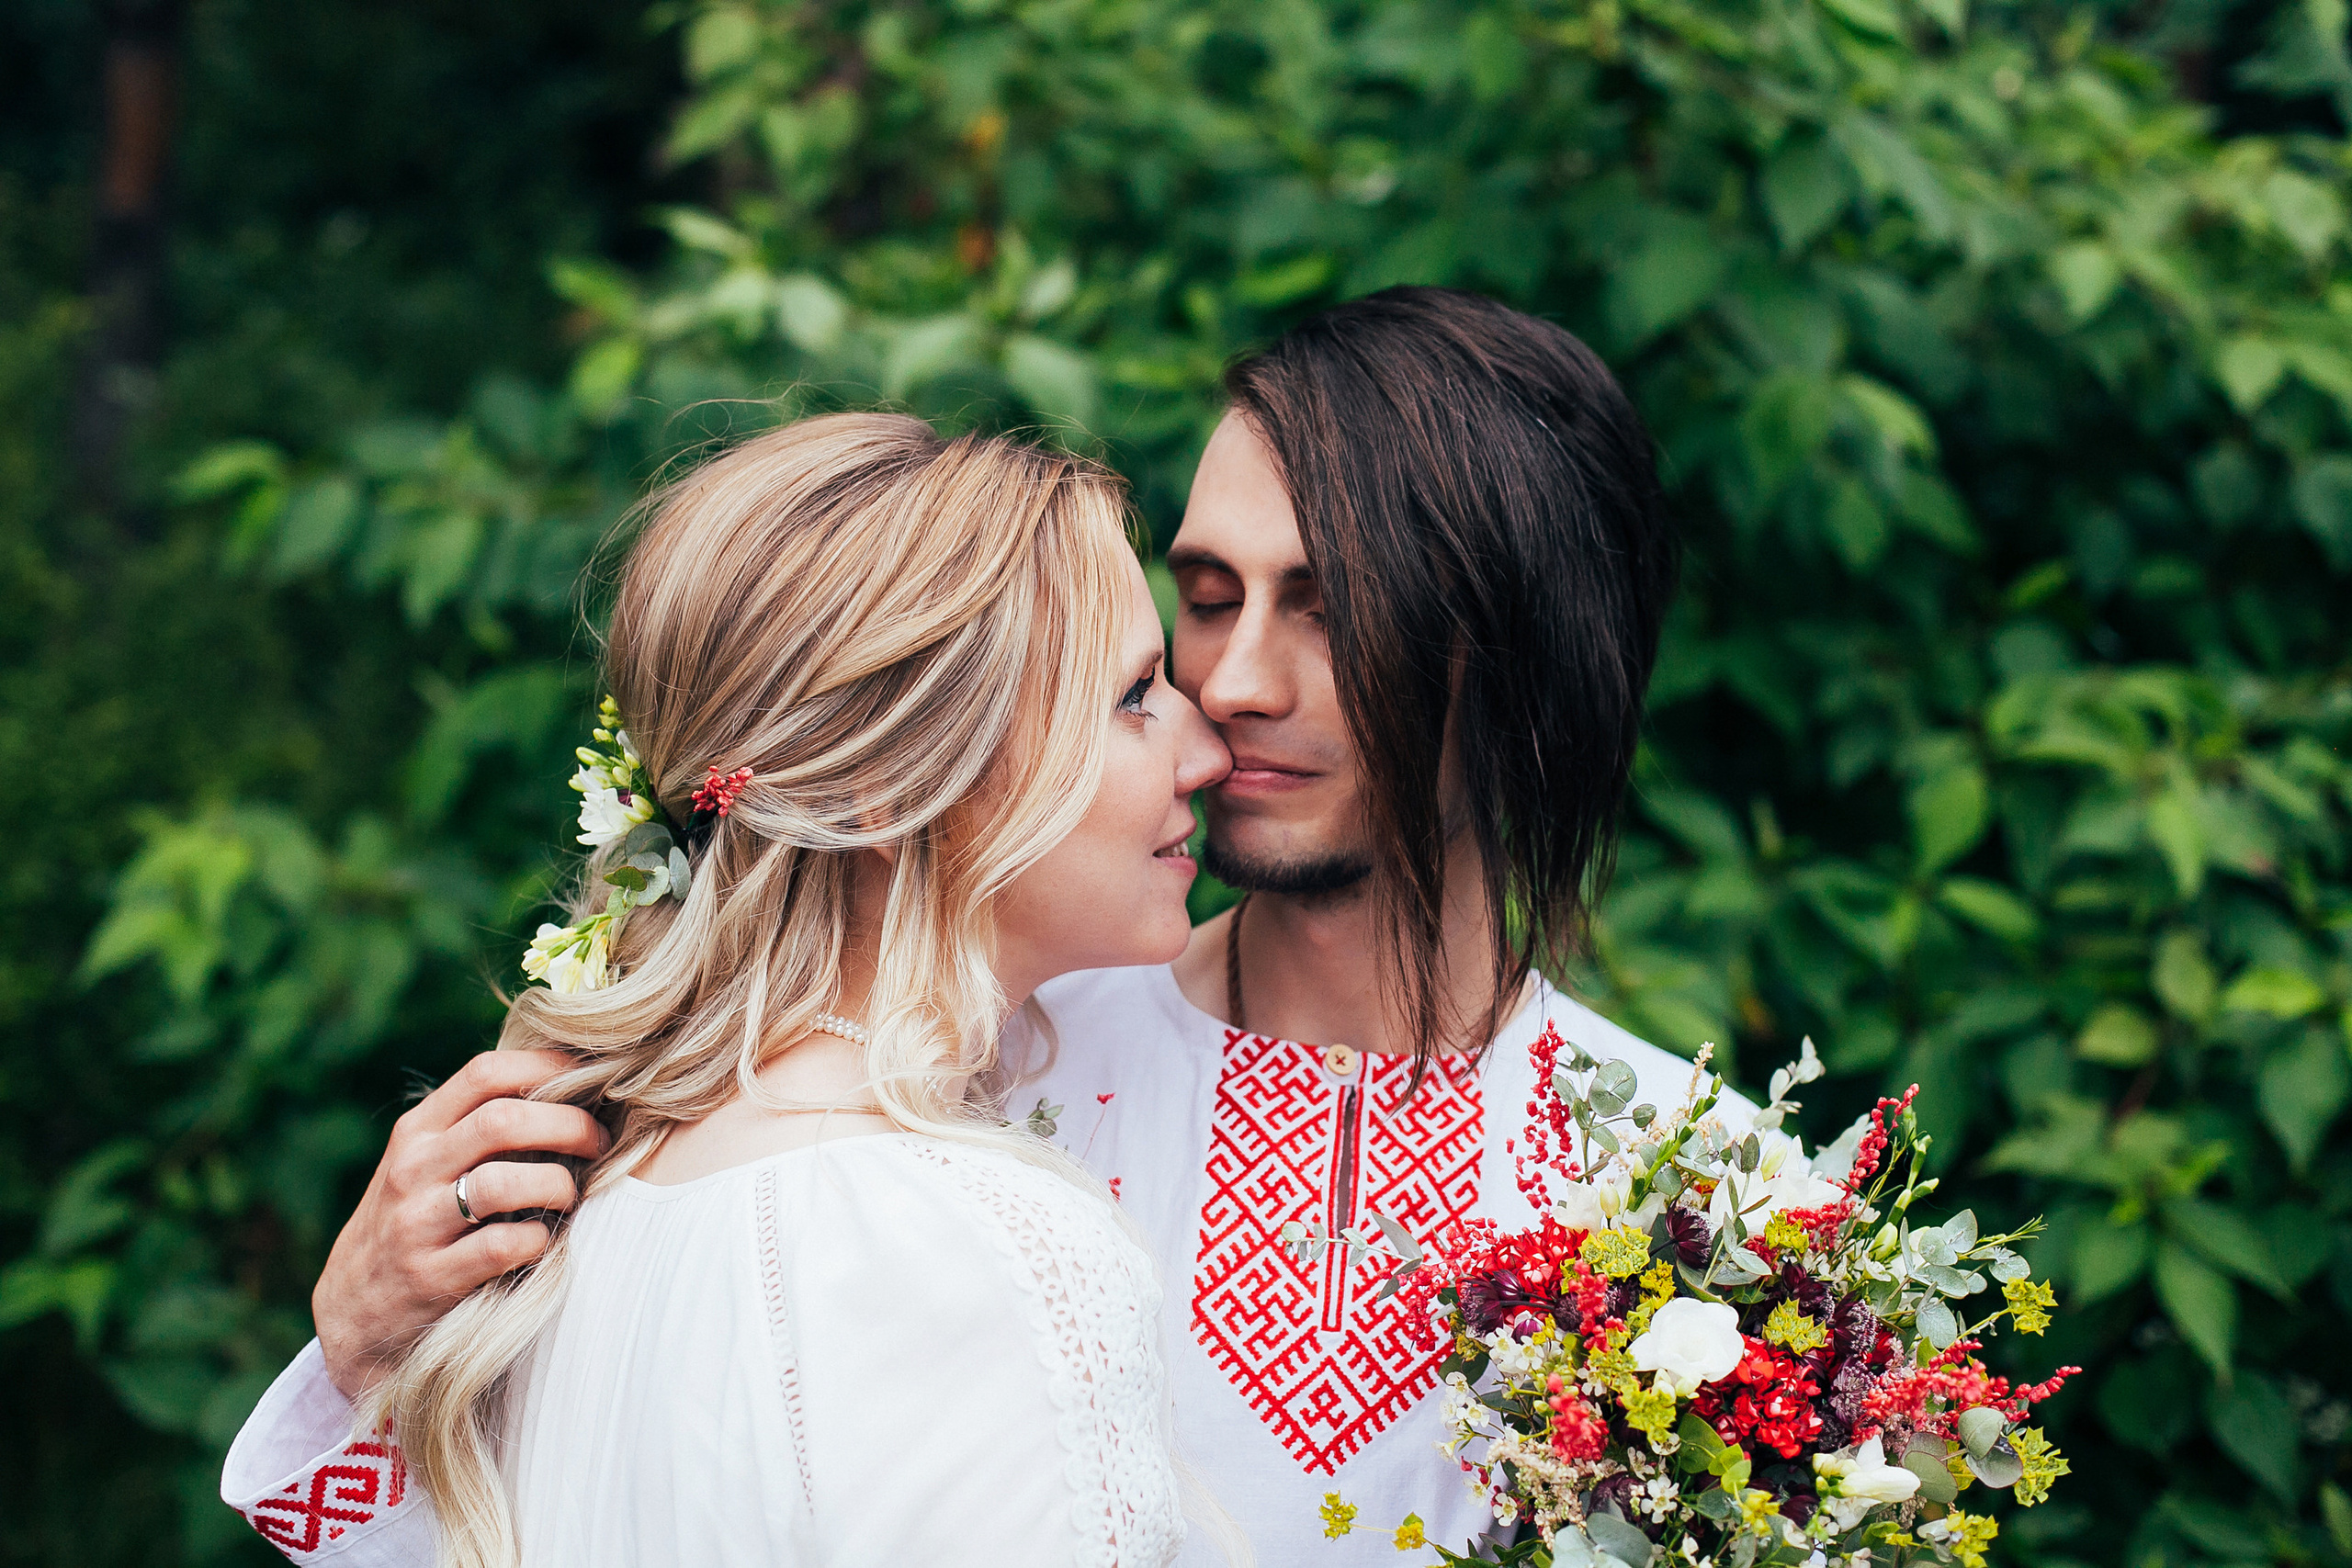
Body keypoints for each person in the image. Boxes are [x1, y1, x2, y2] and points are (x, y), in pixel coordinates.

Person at [227, 288, 1719, 1564]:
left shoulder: (1706, 1199)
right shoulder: (945, 1070)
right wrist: (365, 1354)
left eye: (1329, 605)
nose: (1234, 688)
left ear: (1527, 656)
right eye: (1202, 600)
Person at [220, 412, 1234, 1566]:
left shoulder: (576, 1218)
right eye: (1133, 697)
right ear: (890, 788)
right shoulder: (975, 1246)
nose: (1203, 752)